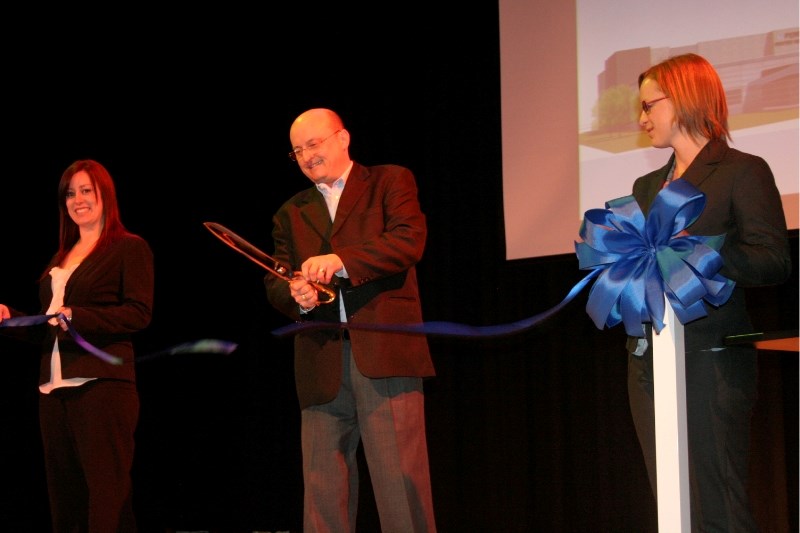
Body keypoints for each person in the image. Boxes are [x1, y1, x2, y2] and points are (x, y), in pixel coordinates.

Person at [626, 53, 792, 532]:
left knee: (717, 505)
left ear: (683, 100)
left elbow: (772, 260)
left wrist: (700, 254)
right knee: (675, 510)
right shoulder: (645, 186)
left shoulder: (742, 171)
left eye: (648, 105)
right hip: (648, 363)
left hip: (712, 362)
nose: (642, 119)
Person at [264, 108, 437, 532]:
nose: (306, 156)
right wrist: (297, 295)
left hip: (384, 355)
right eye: (298, 151)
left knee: (401, 490)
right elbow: (275, 278)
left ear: (343, 139)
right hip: (321, 365)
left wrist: (341, 261)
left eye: (314, 144)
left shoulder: (390, 181)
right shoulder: (290, 211)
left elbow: (407, 241)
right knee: (322, 498)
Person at [0, 159, 154, 533]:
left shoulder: (128, 248)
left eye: (87, 190)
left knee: (107, 497)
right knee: (66, 498)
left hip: (101, 387)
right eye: (70, 193)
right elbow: (50, 327)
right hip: (53, 391)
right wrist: (11, 319)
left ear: (106, 196)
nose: (77, 199)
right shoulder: (60, 257)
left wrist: (79, 316)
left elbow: (138, 313)